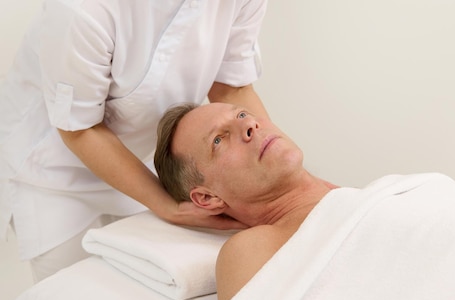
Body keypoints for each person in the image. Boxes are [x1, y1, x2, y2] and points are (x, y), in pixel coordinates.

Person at [0, 0, 269, 282]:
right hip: (50, 170)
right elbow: (80, 128)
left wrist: (286, 177)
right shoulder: (82, 8)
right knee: (71, 291)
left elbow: (230, 87)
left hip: (137, 156)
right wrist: (166, 204)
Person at [154, 102, 338, 300]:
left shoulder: (368, 195)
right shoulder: (252, 250)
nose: (250, 124)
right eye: (218, 140)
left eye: (242, 115)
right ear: (208, 198)